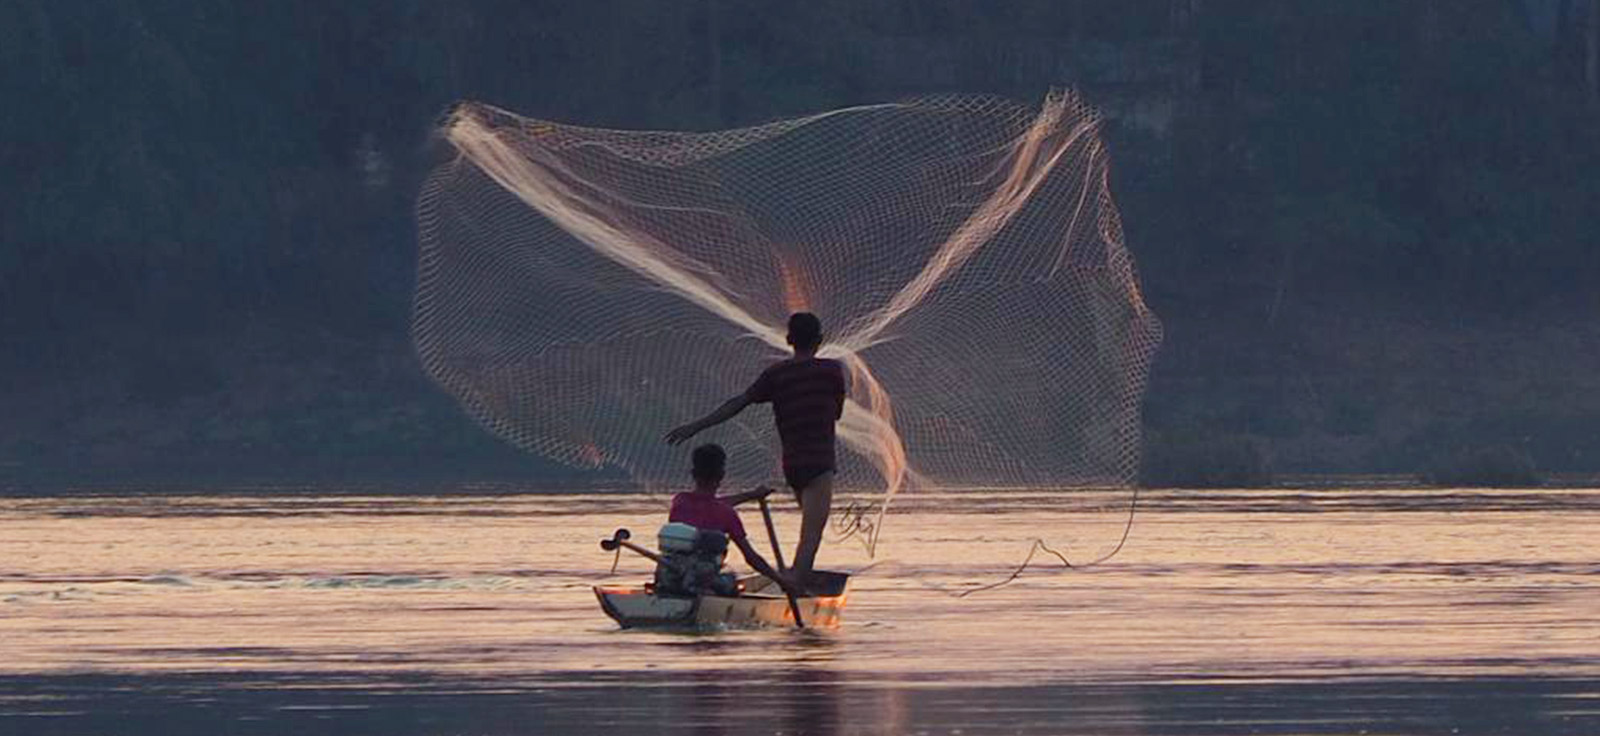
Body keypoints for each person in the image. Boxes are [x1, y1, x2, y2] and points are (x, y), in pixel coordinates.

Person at [666, 313, 847, 589]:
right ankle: (794, 588)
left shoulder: (776, 374)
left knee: (808, 531)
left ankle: (792, 578)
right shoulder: (831, 370)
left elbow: (738, 403)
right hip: (820, 463)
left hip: (793, 466)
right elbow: (836, 412)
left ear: (788, 340)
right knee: (811, 536)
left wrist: (696, 426)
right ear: (820, 340)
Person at [668, 443, 799, 598]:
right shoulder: (726, 514)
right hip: (703, 582)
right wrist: (782, 581)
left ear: (693, 473)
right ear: (722, 475)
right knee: (732, 581)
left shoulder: (679, 501)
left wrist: (751, 495)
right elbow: (751, 559)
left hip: (673, 579)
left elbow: (710, 504)